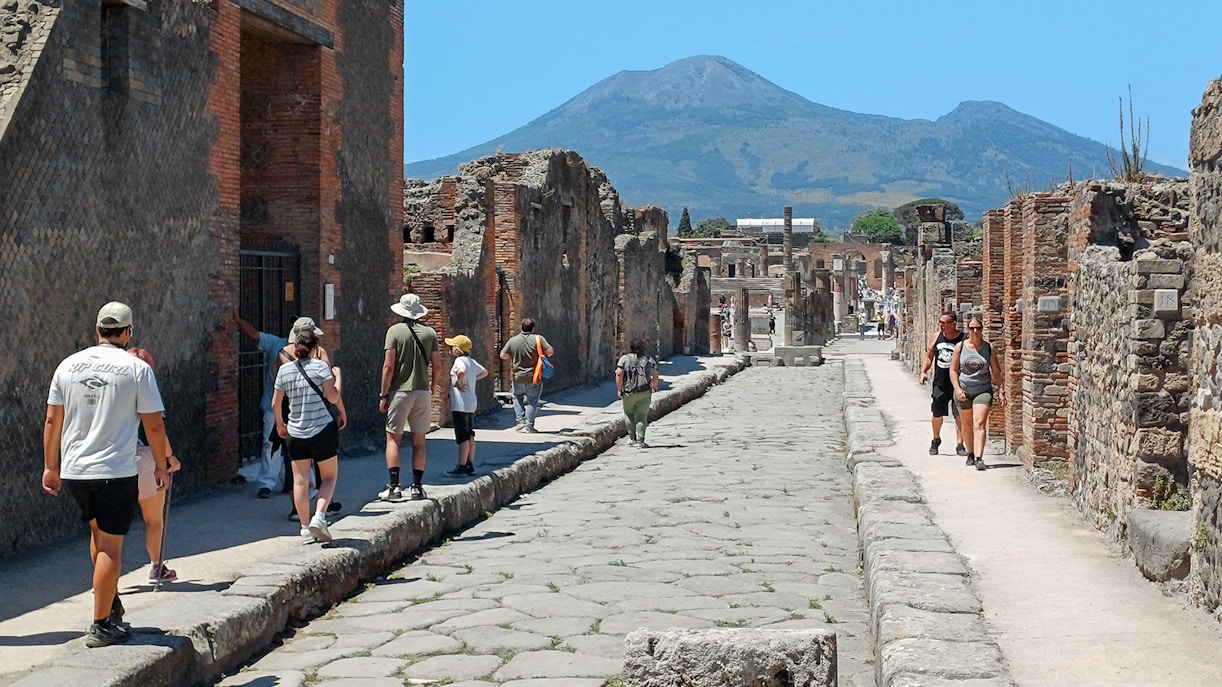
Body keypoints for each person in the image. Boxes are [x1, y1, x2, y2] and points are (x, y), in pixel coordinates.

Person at [42, 302, 170, 647]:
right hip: (115, 469)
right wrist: (161, 464)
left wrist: (51, 467)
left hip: (75, 470)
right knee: (111, 547)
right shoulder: (136, 368)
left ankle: (109, 600)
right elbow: (153, 424)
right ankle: (101, 624)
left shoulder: (67, 366)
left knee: (97, 537)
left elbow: (53, 420)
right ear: (128, 332)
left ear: (97, 329)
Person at [273, 328, 346, 544]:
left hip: (295, 431)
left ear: (295, 348)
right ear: (315, 348)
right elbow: (332, 397)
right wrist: (338, 377)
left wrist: (280, 424)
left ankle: (304, 527)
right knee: (329, 477)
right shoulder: (321, 368)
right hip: (322, 429)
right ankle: (320, 516)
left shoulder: (285, 371)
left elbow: (275, 403)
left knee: (300, 481)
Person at [379, 293, 441, 501]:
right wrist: (432, 385)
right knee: (419, 441)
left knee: (393, 438)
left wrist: (383, 394)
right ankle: (417, 486)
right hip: (422, 391)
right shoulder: (430, 333)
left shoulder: (394, 331)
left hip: (400, 391)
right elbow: (438, 365)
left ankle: (394, 486)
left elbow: (388, 366)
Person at [128, 348, 182, 583]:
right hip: (145, 458)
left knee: (108, 527)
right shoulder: (148, 392)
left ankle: (106, 580)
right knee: (153, 518)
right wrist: (169, 459)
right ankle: (157, 567)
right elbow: (156, 430)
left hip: (113, 459)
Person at [231, 309, 289, 499]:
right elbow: (254, 335)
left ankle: (294, 482)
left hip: (298, 408)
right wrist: (238, 321)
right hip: (274, 406)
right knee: (270, 444)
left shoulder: (312, 351)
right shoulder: (277, 344)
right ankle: (267, 483)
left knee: (298, 446)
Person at [950, 316, 1006, 470]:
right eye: (972, 328)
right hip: (964, 391)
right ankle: (970, 453)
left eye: (978, 328)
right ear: (968, 330)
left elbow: (996, 371)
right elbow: (953, 370)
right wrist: (957, 389)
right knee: (967, 425)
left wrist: (1001, 390)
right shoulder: (960, 347)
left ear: (982, 329)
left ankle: (979, 457)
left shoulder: (988, 348)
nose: (975, 331)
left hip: (983, 390)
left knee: (979, 423)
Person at [918, 311, 969, 457]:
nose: (941, 324)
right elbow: (929, 356)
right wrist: (923, 371)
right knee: (937, 412)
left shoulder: (964, 339)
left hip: (958, 383)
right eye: (940, 322)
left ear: (953, 324)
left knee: (958, 414)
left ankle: (960, 444)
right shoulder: (936, 337)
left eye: (944, 322)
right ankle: (936, 439)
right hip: (940, 382)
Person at [499, 318, 554, 434]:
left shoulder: (513, 341)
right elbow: (550, 352)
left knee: (517, 397)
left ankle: (520, 422)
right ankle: (529, 426)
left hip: (517, 376)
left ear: (521, 327)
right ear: (533, 328)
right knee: (532, 401)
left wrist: (514, 356)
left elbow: (503, 355)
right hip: (534, 376)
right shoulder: (538, 339)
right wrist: (540, 354)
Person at [444, 334, 488, 476]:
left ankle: (461, 466)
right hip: (471, 401)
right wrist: (472, 379)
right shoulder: (472, 361)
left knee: (462, 436)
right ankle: (469, 463)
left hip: (460, 403)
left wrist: (458, 382)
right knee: (470, 434)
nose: (449, 348)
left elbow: (461, 371)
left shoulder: (459, 360)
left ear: (457, 349)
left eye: (452, 346)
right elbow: (484, 372)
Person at [616, 338, 659, 448]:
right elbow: (655, 375)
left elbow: (619, 374)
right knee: (641, 415)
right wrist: (655, 386)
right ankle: (641, 441)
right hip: (645, 392)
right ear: (643, 348)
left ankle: (632, 439)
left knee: (629, 414)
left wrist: (619, 389)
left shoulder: (624, 359)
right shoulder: (650, 360)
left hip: (629, 392)